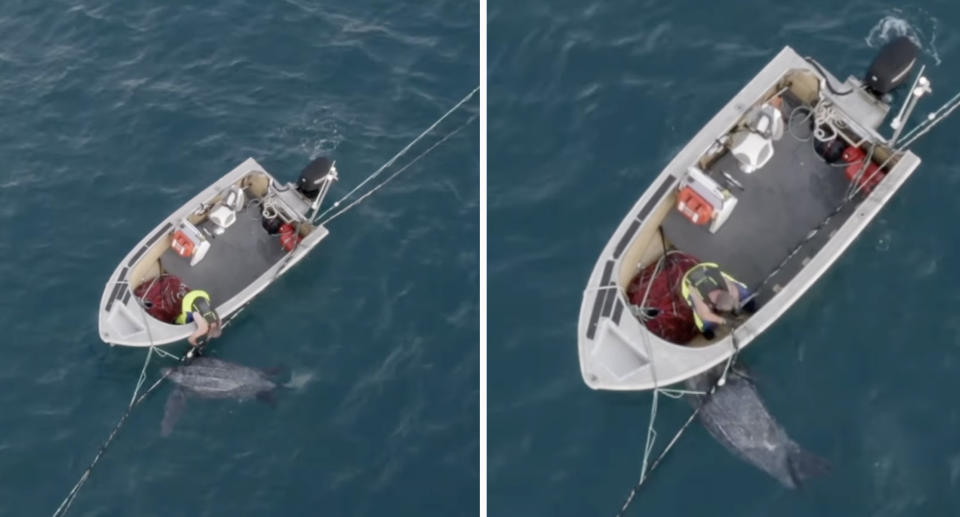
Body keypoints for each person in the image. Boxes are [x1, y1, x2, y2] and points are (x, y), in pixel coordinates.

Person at [680, 262, 755, 340]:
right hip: (691, 283)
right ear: (715, 305)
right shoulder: (696, 294)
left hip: (706, 269)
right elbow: (705, 314)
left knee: (744, 293)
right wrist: (725, 321)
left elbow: (733, 289)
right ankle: (707, 332)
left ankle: (749, 306)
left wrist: (736, 305)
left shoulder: (720, 281)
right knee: (705, 323)